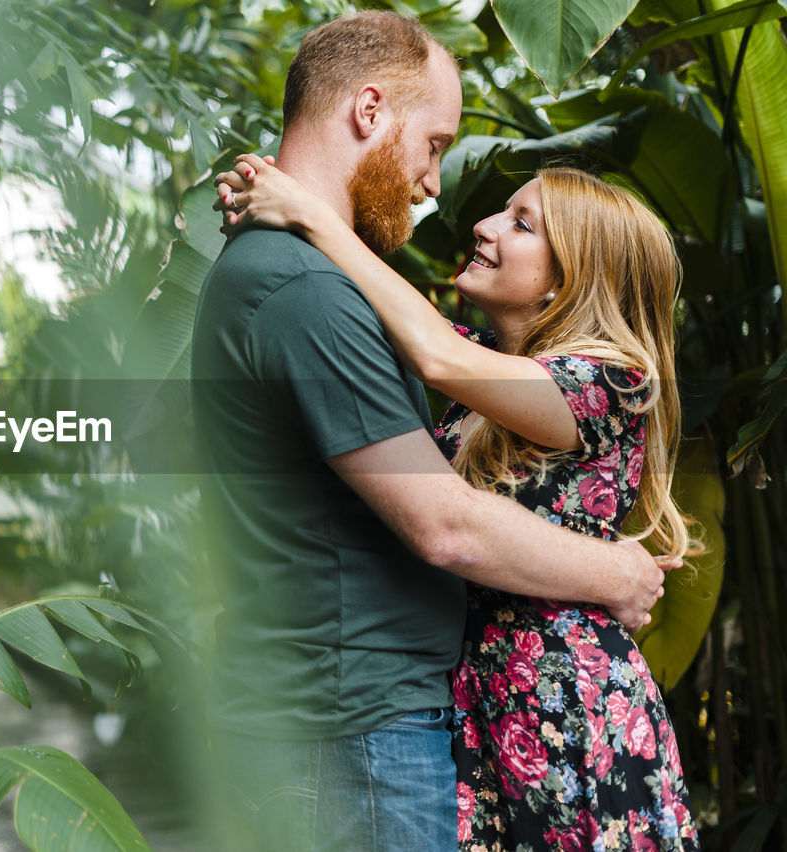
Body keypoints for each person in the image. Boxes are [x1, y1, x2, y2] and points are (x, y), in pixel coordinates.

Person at [190, 11, 677, 852]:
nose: (448, 195)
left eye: (522, 225)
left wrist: (310, 214)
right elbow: (442, 514)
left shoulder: (609, 379)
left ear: (573, 282)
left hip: (553, 705)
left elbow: (424, 347)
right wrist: (614, 570)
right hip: (411, 717)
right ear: (370, 112)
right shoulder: (318, 298)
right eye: (436, 143)